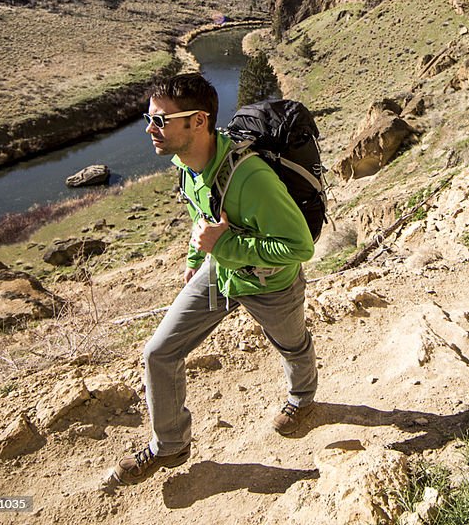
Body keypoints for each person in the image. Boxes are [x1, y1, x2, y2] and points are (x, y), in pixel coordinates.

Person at [108, 73, 318, 486]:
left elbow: (298, 248)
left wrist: (226, 247)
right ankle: (169, 445)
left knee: (291, 344)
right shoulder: (186, 165)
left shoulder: (252, 178)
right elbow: (201, 217)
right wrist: (195, 257)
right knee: (159, 353)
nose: (151, 129)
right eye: (148, 119)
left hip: (270, 283)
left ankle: (302, 398)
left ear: (199, 121)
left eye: (161, 121)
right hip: (218, 272)